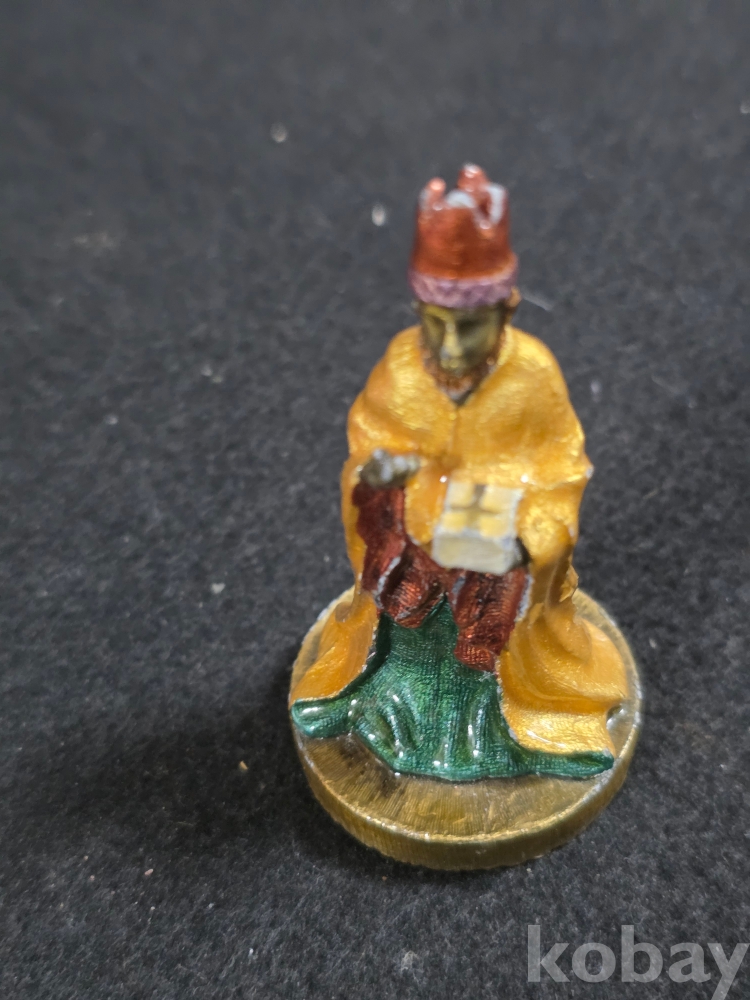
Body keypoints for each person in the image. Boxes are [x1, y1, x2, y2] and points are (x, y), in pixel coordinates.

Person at [290, 165, 628, 781]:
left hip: (495, 572)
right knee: (409, 640)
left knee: (488, 645)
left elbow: (560, 470)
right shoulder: (401, 366)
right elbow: (369, 443)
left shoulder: (532, 376)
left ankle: (497, 728)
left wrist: (527, 538)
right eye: (434, 324)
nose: (449, 347)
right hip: (414, 563)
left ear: (506, 311)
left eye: (469, 327)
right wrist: (380, 476)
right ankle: (393, 707)